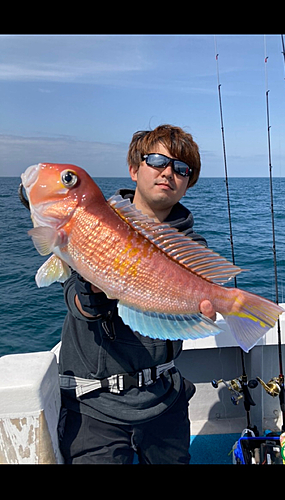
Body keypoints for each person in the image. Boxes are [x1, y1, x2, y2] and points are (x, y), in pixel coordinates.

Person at [58, 124, 216, 464]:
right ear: (134, 168)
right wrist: (90, 295)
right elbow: (73, 296)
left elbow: (199, 311)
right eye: (157, 160)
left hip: (165, 403)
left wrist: (203, 311)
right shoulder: (92, 226)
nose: (168, 172)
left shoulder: (193, 250)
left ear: (188, 183)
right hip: (93, 408)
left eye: (181, 168)